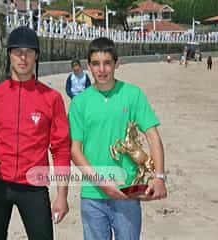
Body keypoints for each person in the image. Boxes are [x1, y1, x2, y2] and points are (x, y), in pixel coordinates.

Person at [0, 26, 71, 240]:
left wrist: (62, 195)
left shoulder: (51, 99)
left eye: (29, 52)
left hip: (34, 186)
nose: (23, 57)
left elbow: (61, 150)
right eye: (17, 51)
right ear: (9, 54)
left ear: (37, 55)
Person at [68, 37, 167, 240]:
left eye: (107, 63)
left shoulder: (133, 95)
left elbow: (152, 136)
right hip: (93, 194)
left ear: (116, 63)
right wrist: (102, 183)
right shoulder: (79, 103)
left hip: (127, 193)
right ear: (89, 66)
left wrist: (159, 177)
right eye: (95, 63)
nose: (101, 69)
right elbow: (74, 150)